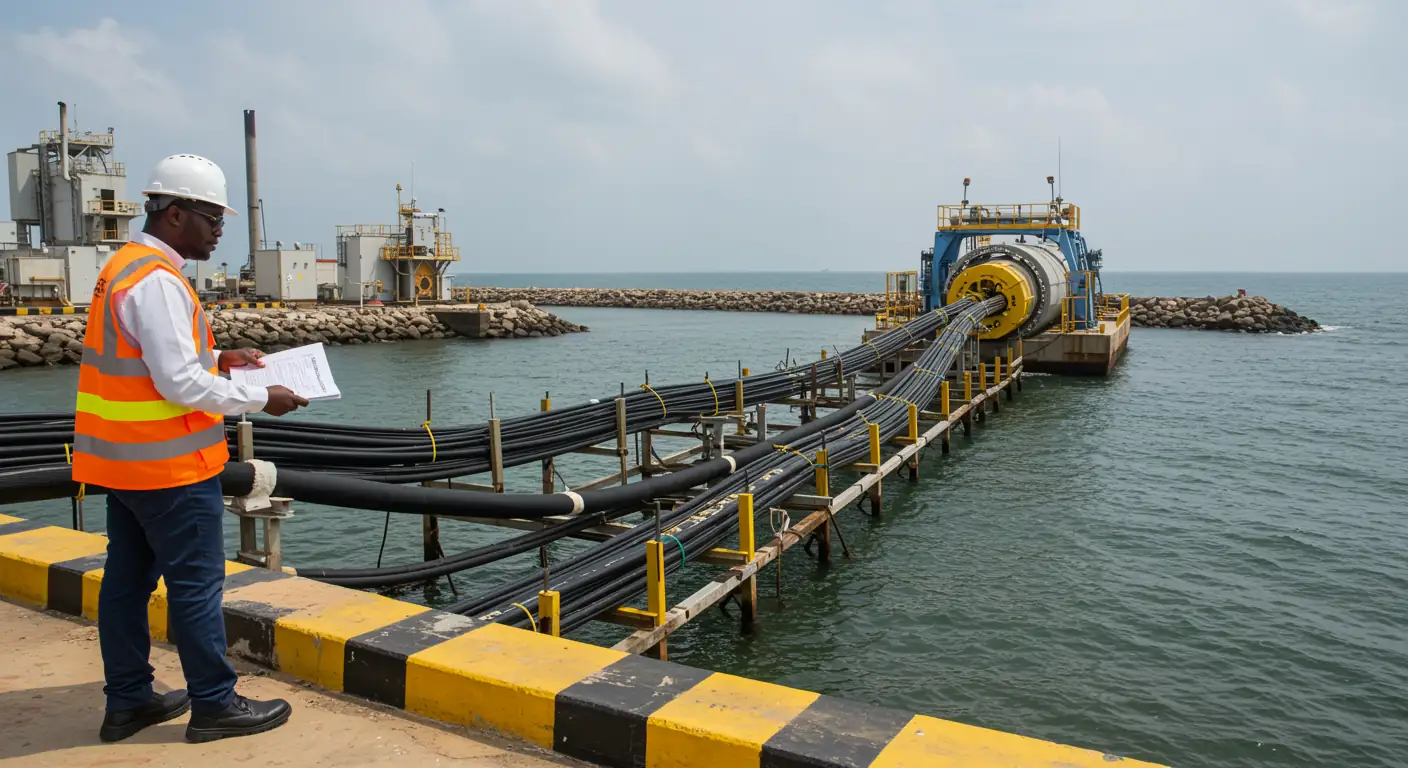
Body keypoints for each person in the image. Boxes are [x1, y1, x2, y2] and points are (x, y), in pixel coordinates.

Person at [70, 154, 309, 744]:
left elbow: (155, 366)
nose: (219, 230)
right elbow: (178, 384)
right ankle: (214, 703)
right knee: (196, 587)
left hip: (123, 464)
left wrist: (222, 360)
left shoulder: (125, 268)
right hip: (169, 469)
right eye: (211, 217)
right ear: (175, 214)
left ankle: (128, 699)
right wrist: (260, 398)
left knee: (126, 585)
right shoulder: (157, 280)